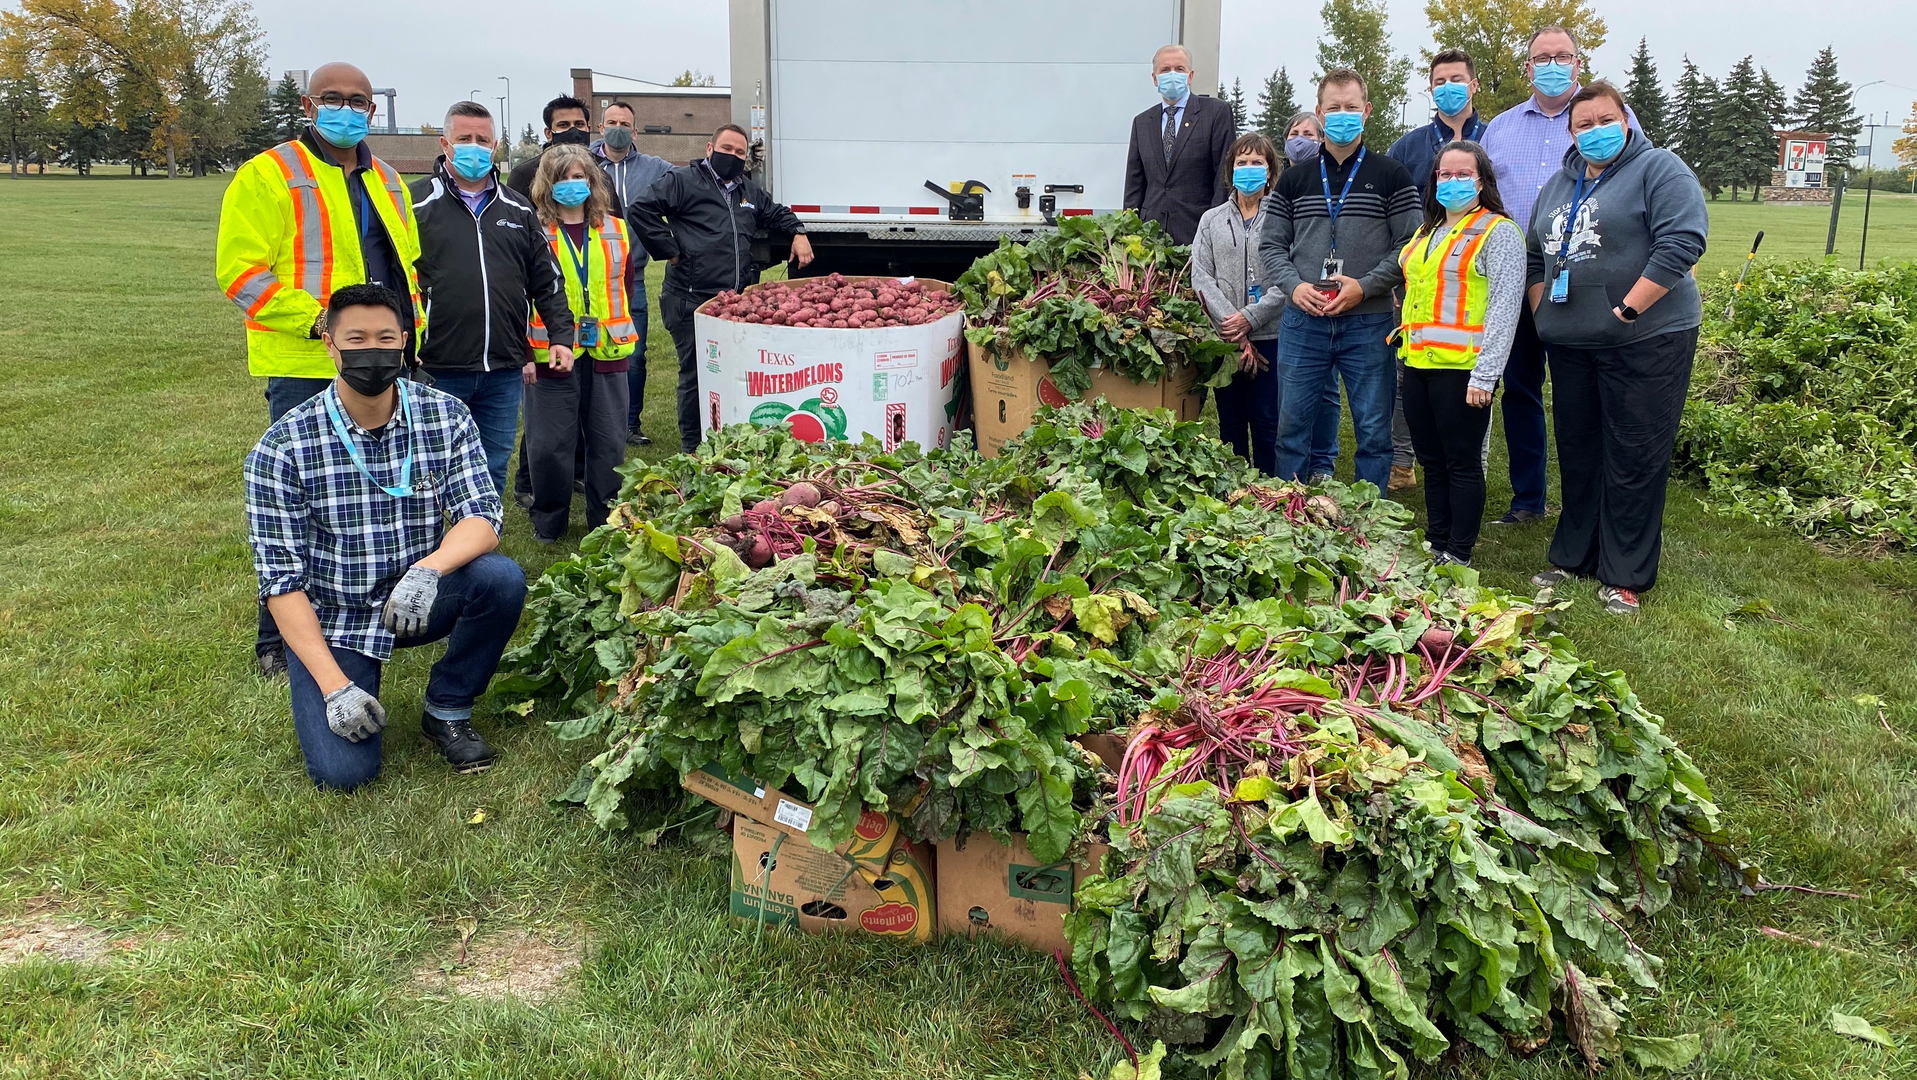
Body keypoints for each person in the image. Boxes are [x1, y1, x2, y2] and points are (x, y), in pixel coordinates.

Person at [243, 284, 525, 790]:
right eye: (355, 338)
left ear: (403, 342)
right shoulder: (281, 447)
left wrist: (429, 569)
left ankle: (447, 707)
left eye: (384, 337)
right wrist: (335, 690)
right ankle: (340, 682)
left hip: (419, 595)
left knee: (499, 579)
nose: (370, 350)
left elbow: (482, 515)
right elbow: (281, 583)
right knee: (344, 774)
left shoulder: (445, 414)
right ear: (329, 343)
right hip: (338, 617)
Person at [217, 60, 423, 680]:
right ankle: (276, 639)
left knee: (377, 492)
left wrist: (412, 337)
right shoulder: (269, 174)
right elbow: (241, 272)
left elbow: (408, 267)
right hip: (307, 361)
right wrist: (318, 324)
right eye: (334, 98)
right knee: (298, 500)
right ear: (309, 106)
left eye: (360, 100)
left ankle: (373, 611)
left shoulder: (387, 178)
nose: (349, 108)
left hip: (386, 362)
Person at [1525, 83, 1706, 615]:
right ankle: (1573, 556)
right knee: (1579, 449)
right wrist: (1543, 312)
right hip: (1574, 341)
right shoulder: (1560, 182)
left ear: (1626, 121)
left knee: (1634, 454)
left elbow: (1682, 243)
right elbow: (1536, 254)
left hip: (1646, 338)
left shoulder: (1660, 169)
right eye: (1584, 124)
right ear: (1571, 132)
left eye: (1606, 119)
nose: (1595, 130)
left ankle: (1624, 573)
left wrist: (1628, 309)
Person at [1480, 27, 1639, 527]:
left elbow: (1641, 179)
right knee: (1521, 389)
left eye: (1562, 56)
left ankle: (1588, 502)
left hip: (1592, 281)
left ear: (1578, 61)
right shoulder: (1500, 129)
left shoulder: (1611, 120)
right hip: (1520, 277)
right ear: (1527, 67)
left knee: (1587, 396)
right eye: (1541, 57)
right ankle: (1528, 498)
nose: (1552, 64)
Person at [1260, 69, 1421, 493]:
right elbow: (1272, 246)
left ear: (1366, 112)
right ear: (1320, 112)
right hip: (1303, 319)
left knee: (1373, 430)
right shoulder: (1294, 180)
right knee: (1292, 425)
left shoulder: (1392, 175)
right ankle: (1288, 512)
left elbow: (1409, 246)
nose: (1343, 115)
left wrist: (1365, 286)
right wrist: (1294, 286)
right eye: (1334, 108)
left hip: (1367, 321)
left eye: (1351, 107)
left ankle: (1370, 515)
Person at [410, 100, 576, 497]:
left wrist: (560, 335)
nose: (474, 146)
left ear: (496, 145)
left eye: (482, 140)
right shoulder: (413, 203)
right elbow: (394, 278)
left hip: (502, 369)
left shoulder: (518, 208)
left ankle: (481, 548)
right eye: (463, 138)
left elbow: (547, 278)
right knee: (432, 467)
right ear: (444, 143)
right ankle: (435, 549)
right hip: (437, 367)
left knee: (491, 465)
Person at [627, 123, 814, 453]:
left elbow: (776, 213)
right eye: (726, 149)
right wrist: (668, 249)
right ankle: (692, 446)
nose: (733, 156)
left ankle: (723, 434)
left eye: (740, 152)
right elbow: (642, 209)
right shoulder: (683, 181)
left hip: (733, 303)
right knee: (696, 373)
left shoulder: (748, 192)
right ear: (710, 149)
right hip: (690, 299)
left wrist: (797, 232)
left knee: (728, 373)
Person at [1393, 141, 1524, 567]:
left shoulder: (1497, 231)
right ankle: (1437, 540)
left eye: (1462, 174)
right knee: (1431, 460)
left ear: (1481, 180)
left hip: (1463, 369)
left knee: (1461, 462)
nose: (1452, 181)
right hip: (1417, 363)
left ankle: (1460, 551)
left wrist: (1485, 376)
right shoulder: (1427, 231)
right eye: (1444, 174)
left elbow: (1505, 309)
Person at [523, 146, 641, 543]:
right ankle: (549, 522)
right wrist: (525, 353)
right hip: (550, 355)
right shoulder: (533, 230)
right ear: (546, 184)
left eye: (579, 177)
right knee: (550, 446)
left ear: (592, 182)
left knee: (609, 443)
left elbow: (625, 287)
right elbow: (519, 296)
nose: (572, 186)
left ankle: (604, 520)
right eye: (562, 178)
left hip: (607, 353)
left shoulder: (616, 229)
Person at [1385, 49, 1489, 493]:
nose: (1448, 87)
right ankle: (1403, 463)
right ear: (1430, 89)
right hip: (1418, 284)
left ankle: (1472, 468)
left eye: (1457, 78)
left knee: (1477, 384)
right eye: (1439, 80)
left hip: (1474, 282)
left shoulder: (1494, 135)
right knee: (1408, 379)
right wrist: (1398, 274)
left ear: (1474, 85)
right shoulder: (1408, 146)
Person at [1191, 134, 1289, 474]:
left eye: (1257, 163)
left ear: (1270, 171)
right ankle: (1234, 491)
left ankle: (1269, 488)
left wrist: (1251, 318)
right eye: (1241, 162)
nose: (1249, 169)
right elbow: (1201, 277)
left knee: (1267, 420)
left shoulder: (1283, 216)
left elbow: (1289, 277)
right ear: (1230, 170)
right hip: (1227, 341)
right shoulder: (1212, 220)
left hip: (1272, 338)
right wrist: (1233, 326)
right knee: (1230, 423)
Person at [591, 100, 674, 448]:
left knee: (633, 354)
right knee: (590, 353)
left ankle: (628, 423)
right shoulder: (583, 166)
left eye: (625, 124)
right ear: (600, 128)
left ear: (635, 132)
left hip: (632, 279)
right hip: (589, 279)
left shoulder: (654, 168)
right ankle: (593, 424)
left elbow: (688, 184)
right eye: (612, 122)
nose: (618, 129)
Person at [1123, 44, 1236, 246]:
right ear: (1155, 78)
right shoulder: (1142, 122)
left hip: (1197, 230)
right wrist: (1129, 230)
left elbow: (1224, 175)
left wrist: (1215, 226)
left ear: (1190, 76)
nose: (1172, 74)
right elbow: (1134, 183)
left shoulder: (1215, 113)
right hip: (1151, 235)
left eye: (1179, 69)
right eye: (1165, 70)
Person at [505, 95, 593, 198]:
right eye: (563, 125)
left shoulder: (600, 172)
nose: (573, 130)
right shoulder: (524, 175)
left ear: (588, 128)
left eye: (579, 124)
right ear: (548, 133)